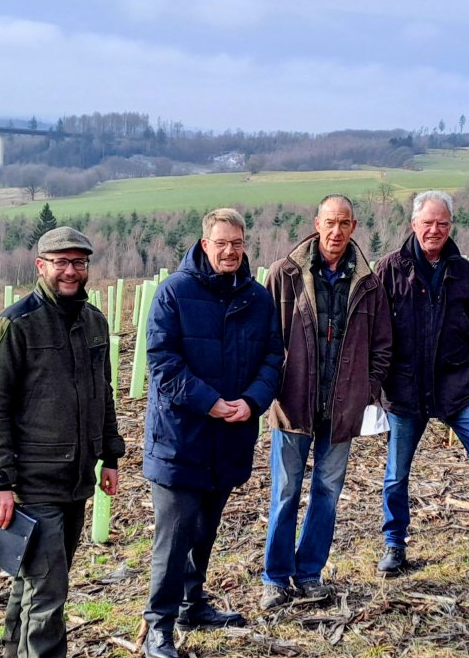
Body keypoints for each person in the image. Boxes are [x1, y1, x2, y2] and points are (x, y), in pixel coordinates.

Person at [0, 226, 127, 658]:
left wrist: (110, 456)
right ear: (41, 266)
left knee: (32, 583)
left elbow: (103, 394)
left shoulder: (94, 321)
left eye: (78, 262)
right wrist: (0, 482)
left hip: (76, 480)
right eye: (61, 262)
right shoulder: (14, 325)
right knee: (49, 592)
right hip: (32, 483)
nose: (70, 271)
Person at [140, 208, 283, 658]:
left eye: (237, 244)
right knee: (174, 535)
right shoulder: (174, 293)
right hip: (180, 440)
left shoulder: (258, 299)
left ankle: (191, 603)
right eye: (221, 243)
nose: (229, 251)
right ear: (205, 244)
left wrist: (252, 401)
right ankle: (158, 625)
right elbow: (163, 363)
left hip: (229, 440)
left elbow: (273, 359)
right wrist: (211, 401)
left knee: (205, 529)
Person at [374, 190, 469, 582]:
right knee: (396, 474)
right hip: (405, 390)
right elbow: (374, 335)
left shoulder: (464, 272)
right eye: (427, 223)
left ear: (451, 225)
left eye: (442, 223)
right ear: (413, 225)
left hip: (455, 387)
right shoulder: (390, 269)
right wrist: (377, 389)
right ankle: (395, 544)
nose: (435, 230)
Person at [259, 195, 392, 610]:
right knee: (284, 492)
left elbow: (383, 345)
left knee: (327, 493)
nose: (336, 231)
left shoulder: (368, 283)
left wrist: (366, 389)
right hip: (293, 403)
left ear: (354, 227)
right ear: (317, 223)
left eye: (344, 223)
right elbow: (266, 337)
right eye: (330, 222)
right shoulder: (286, 274)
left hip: (342, 408)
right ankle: (275, 578)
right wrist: (274, 384)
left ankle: (310, 572)